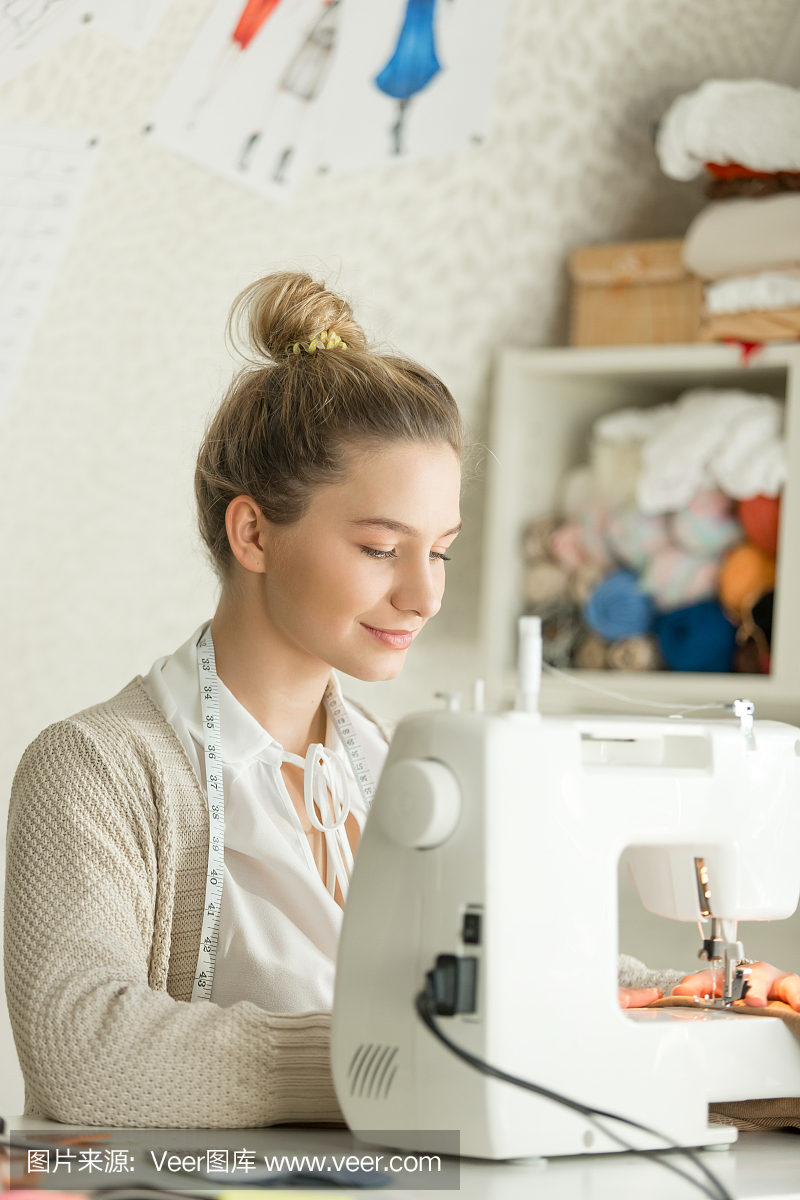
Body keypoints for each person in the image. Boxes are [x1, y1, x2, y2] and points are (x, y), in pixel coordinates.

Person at [5, 272, 799, 1130]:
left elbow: (521, 977)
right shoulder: (97, 769)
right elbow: (89, 1057)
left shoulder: (398, 769)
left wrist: (704, 1011)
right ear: (254, 532)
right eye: (383, 548)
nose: (425, 595)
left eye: (443, 552)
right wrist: (414, 1056)